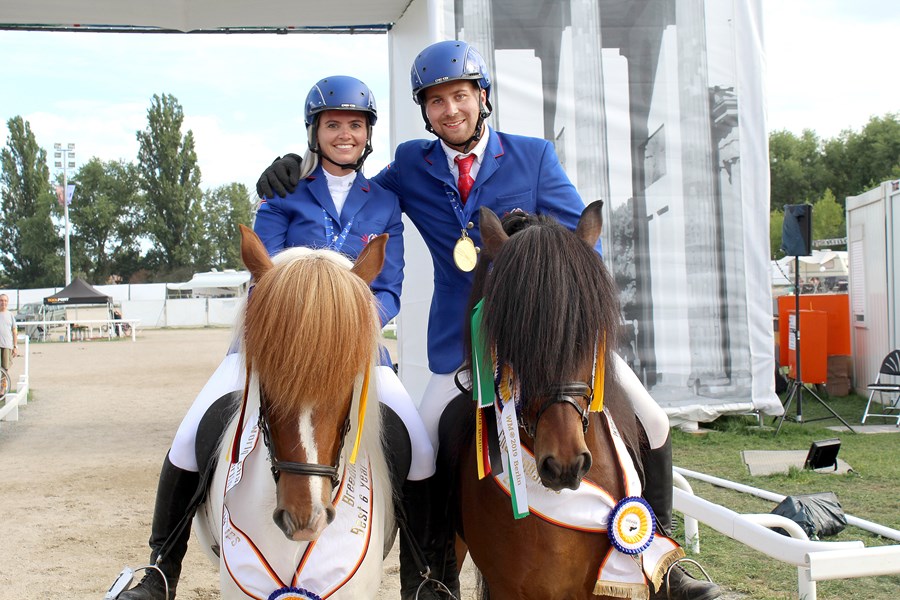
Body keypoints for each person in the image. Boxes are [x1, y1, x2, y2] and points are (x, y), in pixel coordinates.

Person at [258, 41, 721, 600]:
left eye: (460, 96)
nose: (450, 110)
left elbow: (584, 247)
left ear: (482, 98)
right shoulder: (410, 165)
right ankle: (431, 577)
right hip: (462, 345)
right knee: (423, 452)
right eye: (436, 101)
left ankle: (666, 559)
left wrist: (547, 272)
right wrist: (297, 168)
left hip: (542, 337)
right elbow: (352, 191)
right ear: (425, 111)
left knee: (653, 421)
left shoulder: (533, 158)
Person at [119, 76, 435, 600]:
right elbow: (261, 278)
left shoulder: (383, 203)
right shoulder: (284, 191)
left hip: (358, 351)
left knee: (420, 450)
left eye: (355, 126)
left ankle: (426, 577)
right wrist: (298, 333)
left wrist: (342, 335)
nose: (345, 135)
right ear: (314, 132)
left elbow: (390, 287)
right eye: (333, 125)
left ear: (368, 135)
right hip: (269, 349)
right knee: (188, 435)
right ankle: (159, 570)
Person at [0, 294, 17, 392]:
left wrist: (15, 346)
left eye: (5, 301)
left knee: (5, 368)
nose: (3, 302)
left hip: (7, 345)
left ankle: (2, 388)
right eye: (1, 300)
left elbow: (14, 331)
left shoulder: (10, 315)